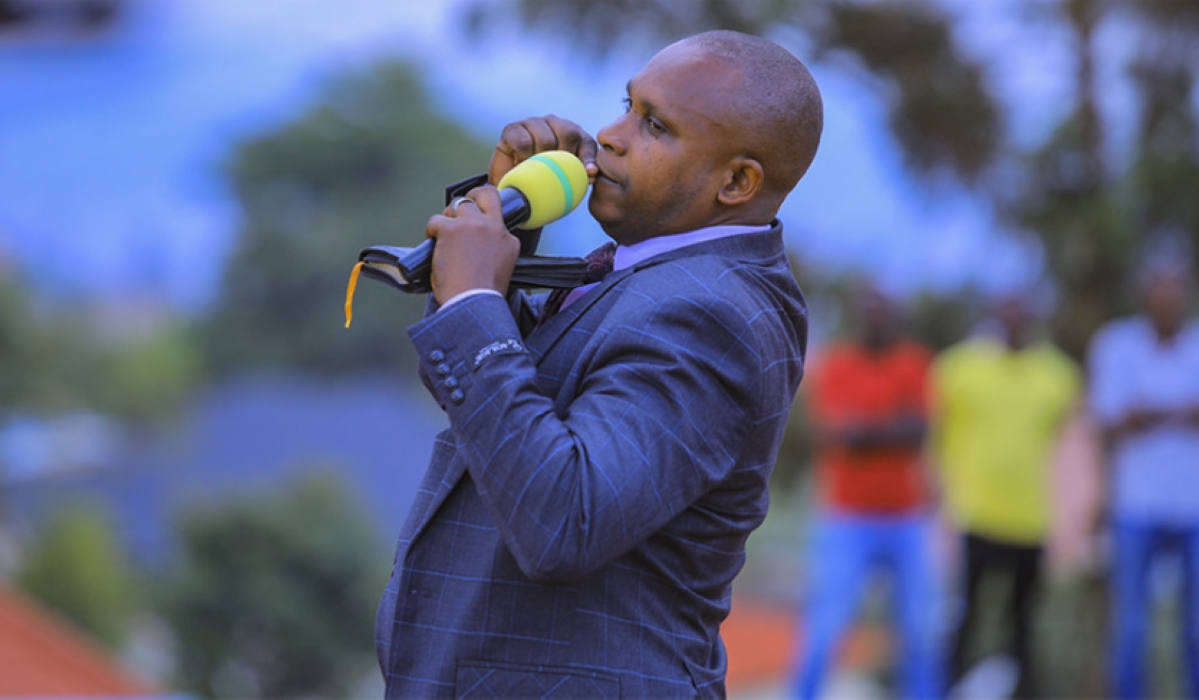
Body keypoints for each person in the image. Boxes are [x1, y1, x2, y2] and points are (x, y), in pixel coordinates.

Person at [373, 30, 822, 697]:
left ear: (735, 181)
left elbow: (562, 517)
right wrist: (511, 230)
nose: (608, 137)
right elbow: (501, 413)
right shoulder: (657, 275)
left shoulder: (710, 314)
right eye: (627, 106)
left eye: (655, 127)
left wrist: (471, 299)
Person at [791, 287, 943, 699]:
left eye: (883, 310)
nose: (876, 318)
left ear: (895, 315)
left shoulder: (915, 362)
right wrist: (891, 427)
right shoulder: (837, 365)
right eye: (868, 311)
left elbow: (918, 431)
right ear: (859, 317)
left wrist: (866, 431)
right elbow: (835, 432)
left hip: (906, 517)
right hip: (847, 517)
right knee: (824, 629)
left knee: (920, 633)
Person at [932, 294, 1081, 698]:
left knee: (1023, 624)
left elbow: (1070, 449)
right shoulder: (958, 368)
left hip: (1030, 519)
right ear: (994, 314)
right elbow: (937, 434)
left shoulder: (1059, 376)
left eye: (1023, 309)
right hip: (975, 515)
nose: (1014, 317)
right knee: (965, 617)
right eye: (1007, 309)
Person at [1089, 260, 1199, 700]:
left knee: (1195, 630)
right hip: (1134, 508)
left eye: (1176, 288)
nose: (1168, 298)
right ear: (1145, 295)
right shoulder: (1115, 345)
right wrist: (1177, 414)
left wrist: (1147, 413)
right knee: (1131, 631)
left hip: (1194, 508)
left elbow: (1133, 414)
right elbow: (1108, 424)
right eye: (1160, 288)